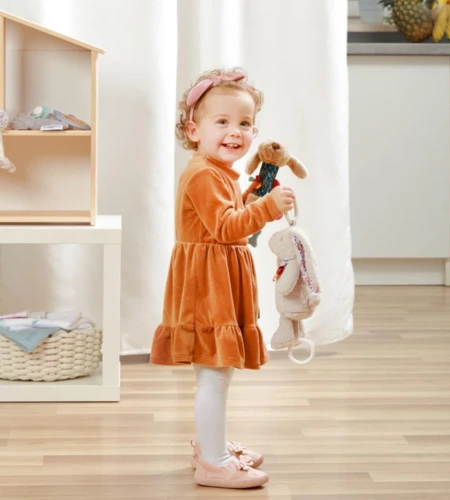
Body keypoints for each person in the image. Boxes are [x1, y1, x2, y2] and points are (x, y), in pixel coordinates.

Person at [150, 68, 294, 489]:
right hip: (207, 286)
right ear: (194, 131)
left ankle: (212, 446)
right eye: (223, 122)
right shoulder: (202, 175)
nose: (236, 132)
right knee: (214, 373)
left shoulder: (217, 172)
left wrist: (254, 197)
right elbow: (227, 228)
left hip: (216, 279)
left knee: (217, 372)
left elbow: (230, 217)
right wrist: (267, 207)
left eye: (245, 123)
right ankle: (213, 462)